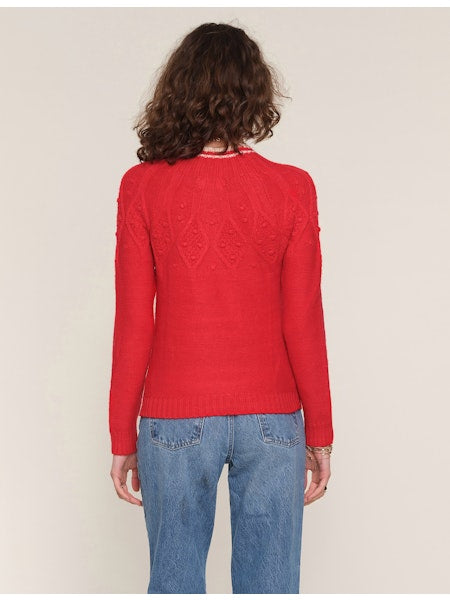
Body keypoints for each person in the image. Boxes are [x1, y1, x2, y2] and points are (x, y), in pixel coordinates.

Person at [108, 21, 334, 594]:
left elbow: (133, 322)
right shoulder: (292, 188)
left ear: (178, 88)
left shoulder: (142, 187)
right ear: (255, 92)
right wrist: (321, 432)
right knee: (271, 588)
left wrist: (121, 437)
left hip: (173, 421)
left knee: (174, 584)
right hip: (273, 422)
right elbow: (303, 320)